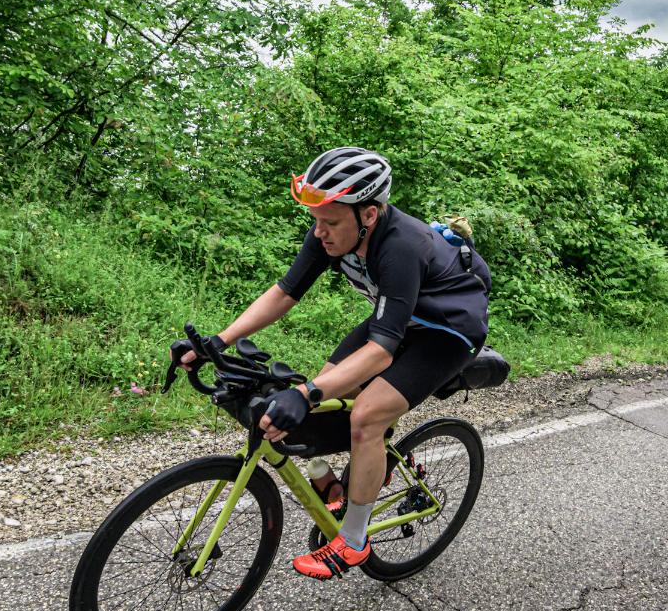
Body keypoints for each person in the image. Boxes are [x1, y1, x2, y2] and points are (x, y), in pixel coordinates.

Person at [172, 147, 491, 581]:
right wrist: (219, 340)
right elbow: (285, 292)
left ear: (370, 215)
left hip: (448, 330)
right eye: (315, 220)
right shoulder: (332, 228)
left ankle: (355, 541)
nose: (319, 232)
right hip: (402, 318)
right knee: (327, 388)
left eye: (330, 222)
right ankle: (352, 478)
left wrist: (304, 395)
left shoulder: (401, 246)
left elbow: (380, 351)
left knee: (365, 414)